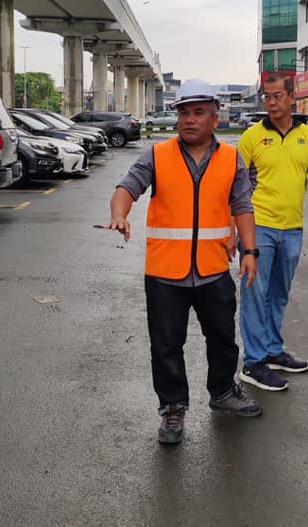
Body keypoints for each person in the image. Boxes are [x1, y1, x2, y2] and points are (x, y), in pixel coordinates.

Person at [107, 79, 263, 446]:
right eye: (183, 113)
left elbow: (242, 206)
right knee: (165, 345)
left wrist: (250, 252)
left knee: (223, 339)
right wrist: (119, 213)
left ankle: (223, 393)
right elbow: (128, 186)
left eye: (198, 113)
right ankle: (172, 407)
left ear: (214, 118)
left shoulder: (230, 158)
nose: (189, 120)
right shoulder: (157, 156)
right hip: (165, 273)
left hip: (212, 270)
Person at [236, 73, 308, 392]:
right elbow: (236, 184)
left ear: (292, 98)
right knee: (254, 294)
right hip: (258, 227)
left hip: (292, 229)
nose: (271, 102)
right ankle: (253, 362)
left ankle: (273, 350)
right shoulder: (251, 137)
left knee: (279, 293)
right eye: (267, 97)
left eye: (277, 96)